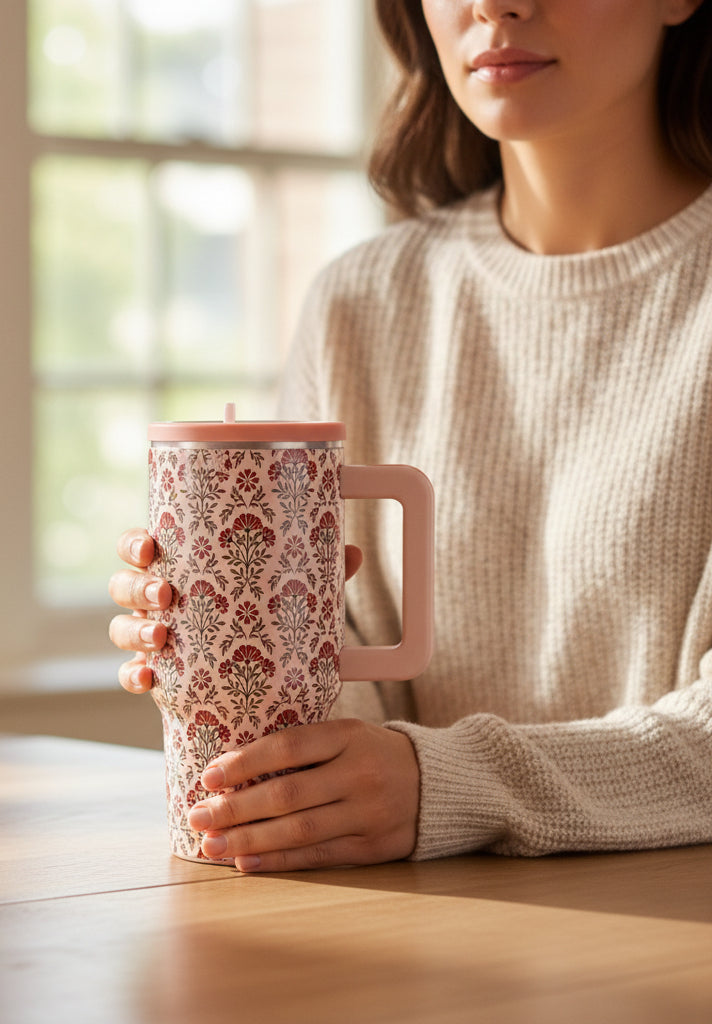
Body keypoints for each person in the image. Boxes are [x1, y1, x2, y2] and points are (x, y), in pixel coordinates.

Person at [107, 0, 712, 871]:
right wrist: (223, 645)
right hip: (406, 942)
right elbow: (348, 691)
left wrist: (445, 785)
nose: (496, 5)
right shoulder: (360, 304)